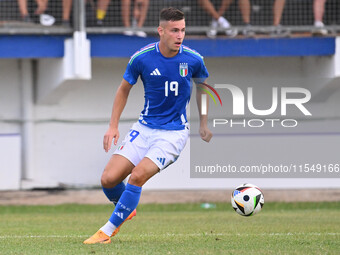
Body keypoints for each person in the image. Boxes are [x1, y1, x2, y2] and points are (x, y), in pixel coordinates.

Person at [83, 7, 212, 244]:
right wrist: (113, 126)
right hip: (144, 129)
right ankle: (126, 208)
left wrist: (203, 123)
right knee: (108, 180)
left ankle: (107, 232)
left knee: (137, 176)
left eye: (183, 30)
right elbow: (123, 90)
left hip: (172, 134)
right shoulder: (141, 58)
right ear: (161, 31)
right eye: (174, 30)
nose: (180, 35)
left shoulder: (193, 60)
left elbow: (203, 89)